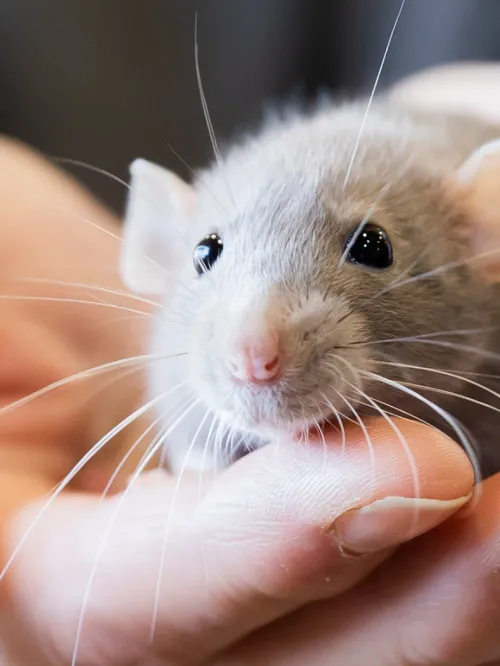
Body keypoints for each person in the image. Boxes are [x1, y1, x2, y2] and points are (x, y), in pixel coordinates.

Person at [0, 63, 499, 666]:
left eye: (368, 249)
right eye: (208, 253)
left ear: (483, 234)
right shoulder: (172, 359)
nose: (255, 353)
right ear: (163, 241)